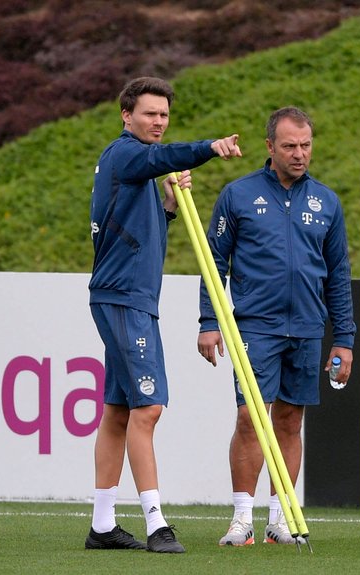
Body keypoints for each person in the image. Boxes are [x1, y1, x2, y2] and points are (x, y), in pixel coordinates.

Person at [86, 76, 243, 554]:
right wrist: (209, 148)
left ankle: (103, 525)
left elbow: (137, 234)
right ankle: (156, 524)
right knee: (148, 409)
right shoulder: (126, 154)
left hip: (129, 298)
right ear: (126, 116)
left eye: (164, 115)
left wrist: (169, 209)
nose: (158, 121)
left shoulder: (133, 171)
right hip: (124, 299)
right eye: (150, 113)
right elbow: (162, 158)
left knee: (118, 412)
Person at [196, 106, 356, 547]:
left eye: (306, 145)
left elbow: (338, 274)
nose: (299, 153)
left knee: (289, 422)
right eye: (289, 146)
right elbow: (214, 264)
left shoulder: (327, 201)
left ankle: (280, 518)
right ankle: (241, 519)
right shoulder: (238, 195)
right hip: (254, 327)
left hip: (306, 328)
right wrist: (210, 320)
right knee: (250, 419)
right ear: (270, 146)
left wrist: (344, 338)